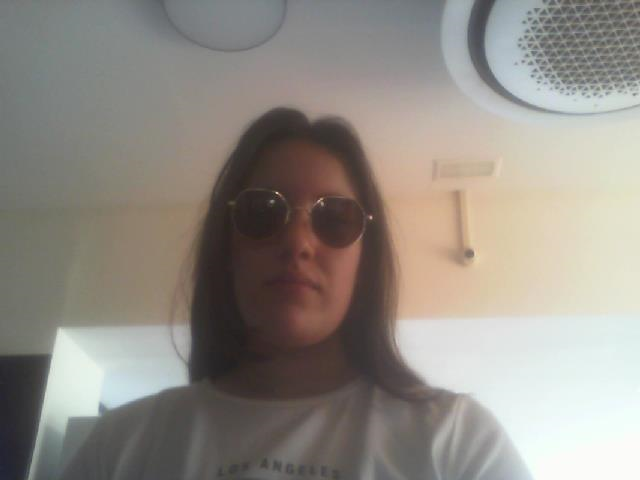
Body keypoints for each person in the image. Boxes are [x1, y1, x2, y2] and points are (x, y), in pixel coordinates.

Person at [60, 107, 533, 480]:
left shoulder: (456, 439)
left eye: (334, 218)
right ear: (227, 250)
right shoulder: (121, 447)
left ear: (363, 262)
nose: (298, 242)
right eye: (263, 211)